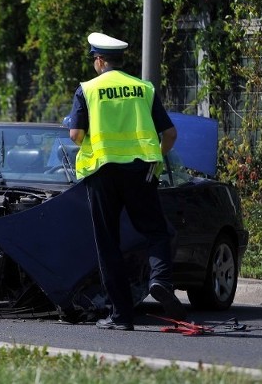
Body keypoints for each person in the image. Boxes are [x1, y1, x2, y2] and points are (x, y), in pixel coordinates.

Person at [65, 32, 186, 331]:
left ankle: (121, 317)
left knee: (109, 244)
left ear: (100, 61)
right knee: (156, 232)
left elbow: (75, 136)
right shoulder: (143, 88)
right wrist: (155, 157)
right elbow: (169, 135)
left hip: (102, 173)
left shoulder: (87, 90)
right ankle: (160, 281)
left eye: (95, 59)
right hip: (140, 171)